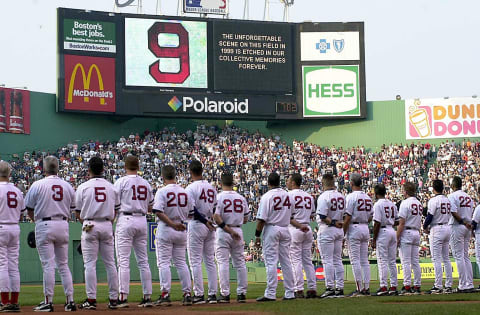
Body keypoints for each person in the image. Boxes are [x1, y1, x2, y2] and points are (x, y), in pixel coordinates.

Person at [25, 156, 76, 312]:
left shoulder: (37, 184)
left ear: (44, 168)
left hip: (44, 223)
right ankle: (70, 302)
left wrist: (37, 222)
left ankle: (48, 301)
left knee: (48, 265)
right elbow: (72, 208)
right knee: (63, 265)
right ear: (58, 168)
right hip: (63, 223)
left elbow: (29, 209)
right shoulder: (67, 185)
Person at [254, 172, 307, 302]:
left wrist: (257, 236)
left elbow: (261, 219)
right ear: (279, 182)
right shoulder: (287, 195)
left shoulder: (267, 196)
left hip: (272, 228)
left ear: (269, 182)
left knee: (271, 262)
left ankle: (271, 293)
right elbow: (291, 216)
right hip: (285, 228)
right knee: (286, 262)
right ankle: (289, 292)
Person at [75, 157, 119, 309]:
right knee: (110, 264)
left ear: (89, 170)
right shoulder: (111, 187)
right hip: (107, 223)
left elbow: (77, 211)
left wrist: (86, 224)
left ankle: (91, 300)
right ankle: (114, 299)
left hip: (90, 224)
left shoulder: (83, 187)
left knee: (90, 265)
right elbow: (117, 208)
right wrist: (109, 221)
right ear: (103, 170)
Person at [114, 155, 154, 307]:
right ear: (138, 167)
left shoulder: (121, 181)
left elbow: (114, 204)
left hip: (126, 219)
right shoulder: (145, 183)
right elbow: (150, 207)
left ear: (125, 166)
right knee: (143, 261)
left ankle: (123, 297)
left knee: (123, 261)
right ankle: (147, 296)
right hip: (142, 219)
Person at [152, 165, 193, 306]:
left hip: (166, 227)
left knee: (163, 263)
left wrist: (172, 223)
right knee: (181, 262)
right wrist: (179, 221)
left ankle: (165, 294)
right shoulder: (185, 192)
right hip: (181, 227)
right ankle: (187, 294)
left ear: (163, 176)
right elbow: (191, 213)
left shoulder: (162, 191)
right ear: (175, 175)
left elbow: (158, 211)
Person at [213, 172, 249, 303]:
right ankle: (241, 293)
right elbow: (245, 219)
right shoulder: (241, 198)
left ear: (221, 183)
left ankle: (225, 294)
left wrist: (228, 229)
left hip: (223, 230)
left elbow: (216, 217)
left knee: (223, 262)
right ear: (233, 183)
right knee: (240, 263)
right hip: (238, 229)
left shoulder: (219, 197)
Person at [185, 160, 218, 304]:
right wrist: (210, 221)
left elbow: (191, 210)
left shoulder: (190, 188)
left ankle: (199, 294)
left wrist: (205, 221)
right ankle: (212, 295)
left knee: (195, 262)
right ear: (202, 171)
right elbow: (216, 208)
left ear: (191, 172)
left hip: (198, 223)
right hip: (210, 223)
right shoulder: (211, 187)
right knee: (210, 261)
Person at [286, 173, 317, 299]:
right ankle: (312, 288)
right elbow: (312, 214)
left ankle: (298, 289)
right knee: (307, 261)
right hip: (307, 228)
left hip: (295, 228)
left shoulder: (288, 195)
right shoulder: (308, 196)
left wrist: (298, 224)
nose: (287, 182)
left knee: (295, 261)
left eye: (288, 180)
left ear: (293, 182)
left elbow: (287, 216)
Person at [0, 161, 25, 312]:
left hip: (1, 227)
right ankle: (14, 301)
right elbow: (21, 213)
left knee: (2, 264)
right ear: (9, 174)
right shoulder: (17, 191)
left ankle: (4, 301)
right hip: (14, 227)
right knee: (13, 265)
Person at [316, 173, 346, 298]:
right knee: (337, 260)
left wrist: (333, 222)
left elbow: (322, 216)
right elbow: (345, 215)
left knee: (327, 260)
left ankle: (330, 288)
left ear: (324, 183)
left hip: (328, 229)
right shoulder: (341, 196)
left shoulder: (323, 196)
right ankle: (340, 288)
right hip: (339, 229)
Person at [343, 173, 373, 296]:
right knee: (364, 260)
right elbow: (371, 216)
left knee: (355, 260)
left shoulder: (350, 197)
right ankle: (366, 287)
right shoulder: (367, 197)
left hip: (354, 227)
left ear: (351, 183)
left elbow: (348, 216)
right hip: (365, 226)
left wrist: (342, 233)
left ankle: (360, 289)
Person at [423, 179, 454, 294]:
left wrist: (425, 226)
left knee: (436, 259)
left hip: (437, 228)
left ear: (433, 188)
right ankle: (449, 285)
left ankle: (438, 285)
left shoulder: (433, 200)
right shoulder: (447, 200)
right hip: (447, 227)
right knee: (446, 258)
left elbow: (430, 216)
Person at [447, 176, 474, 293]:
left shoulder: (452, 196)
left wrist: (462, 221)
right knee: (465, 256)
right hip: (467, 226)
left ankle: (462, 285)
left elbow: (453, 211)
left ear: (453, 185)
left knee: (459, 256)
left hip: (457, 225)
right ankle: (469, 283)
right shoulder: (468, 197)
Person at [372, 183, 398, 296]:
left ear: (376, 194)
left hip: (383, 231)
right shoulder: (392, 204)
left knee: (382, 261)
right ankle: (393, 286)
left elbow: (377, 222)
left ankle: (383, 287)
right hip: (392, 230)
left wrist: (374, 239)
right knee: (392, 261)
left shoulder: (378, 205)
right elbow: (397, 221)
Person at [396, 182, 423, 295]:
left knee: (406, 261)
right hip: (416, 231)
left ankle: (407, 286)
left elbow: (401, 223)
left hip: (407, 231)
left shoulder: (405, 203)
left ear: (405, 191)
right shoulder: (419, 203)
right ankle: (417, 285)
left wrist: (397, 237)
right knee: (415, 261)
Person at [472, 184, 480, 290]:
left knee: (479, 259)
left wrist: (470, 229)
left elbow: (474, 223)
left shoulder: (479, 207)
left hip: (479, 234)